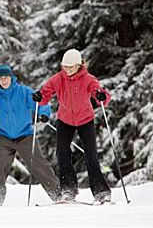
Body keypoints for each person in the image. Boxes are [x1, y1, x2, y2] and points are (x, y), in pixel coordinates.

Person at [32, 49, 112, 203]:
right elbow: (45, 93)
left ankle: (101, 192)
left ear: (79, 65)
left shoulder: (88, 79)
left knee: (91, 155)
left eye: (70, 67)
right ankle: (68, 189)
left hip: (85, 119)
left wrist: (102, 97)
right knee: (62, 154)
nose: (67, 70)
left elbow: (100, 93)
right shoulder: (58, 79)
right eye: (65, 66)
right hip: (65, 120)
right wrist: (40, 97)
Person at [0, 64, 60, 206]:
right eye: (1, 78)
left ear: (11, 77)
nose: (4, 80)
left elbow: (41, 102)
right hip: (4, 137)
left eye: (6, 77)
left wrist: (44, 114)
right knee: (0, 164)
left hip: (25, 135)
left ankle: (57, 194)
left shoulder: (23, 91)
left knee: (39, 164)